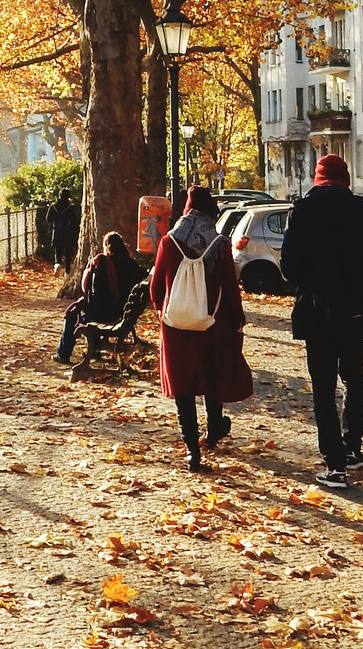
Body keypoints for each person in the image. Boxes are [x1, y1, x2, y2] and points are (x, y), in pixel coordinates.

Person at [279, 153, 363, 490]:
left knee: (323, 388)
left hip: (318, 310)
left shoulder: (303, 211)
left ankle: (335, 465)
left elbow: (289, 269)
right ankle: (352, 448)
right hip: (356, 309)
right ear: (346, 178)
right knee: (354, 378)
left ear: (317, 178)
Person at [149, 183, 253, 471]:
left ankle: (192, 449)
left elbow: (156, 289)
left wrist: (164, 311)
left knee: (183, 387)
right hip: (212, 323)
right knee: (211, 376)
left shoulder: (168, 242)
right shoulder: (219, 244)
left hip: (176, 326)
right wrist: (236, 319)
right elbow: (230, 289)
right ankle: (214, 428)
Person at [54, 231, 145, 363]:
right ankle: (94, 350)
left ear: (107, 246)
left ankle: (63, 354)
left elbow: (95, 296)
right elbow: (143, 275)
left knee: (73, 316)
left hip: (106, 314)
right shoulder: (131, 265)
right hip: (122, 313)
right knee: (90, 310)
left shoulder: (102, 264)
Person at [51, 189, 80, 273]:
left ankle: (57, 264)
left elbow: (48, 219)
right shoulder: (70, 207)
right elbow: (75, 221)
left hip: (57, 231)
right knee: (68, 252)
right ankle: (67, 271)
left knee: (58, 250)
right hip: (68, 233)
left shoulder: (54, 206)